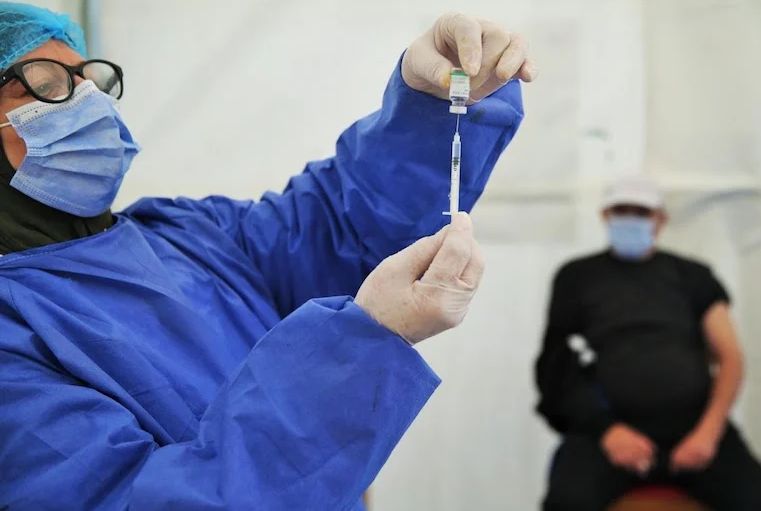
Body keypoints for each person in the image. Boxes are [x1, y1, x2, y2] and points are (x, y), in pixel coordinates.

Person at [0, 3, 534, 510]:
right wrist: (361, 345)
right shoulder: (14, 333)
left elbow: (341, 227)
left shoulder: (184, 236)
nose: (90, 103)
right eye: (47, 85)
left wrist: (431, 109)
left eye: (90, 82)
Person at [535, 175, 761, 511]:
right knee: (567, 502)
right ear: (605, 215)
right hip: (605, 432)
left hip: (695, 428)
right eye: (621, 211)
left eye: (641, 212)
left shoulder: (694, 276)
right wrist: (608, 432)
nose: (631, 219)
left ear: (660, 219)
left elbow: (730, 357)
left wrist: (708, 433)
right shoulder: (577, 277)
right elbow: (557, 363)